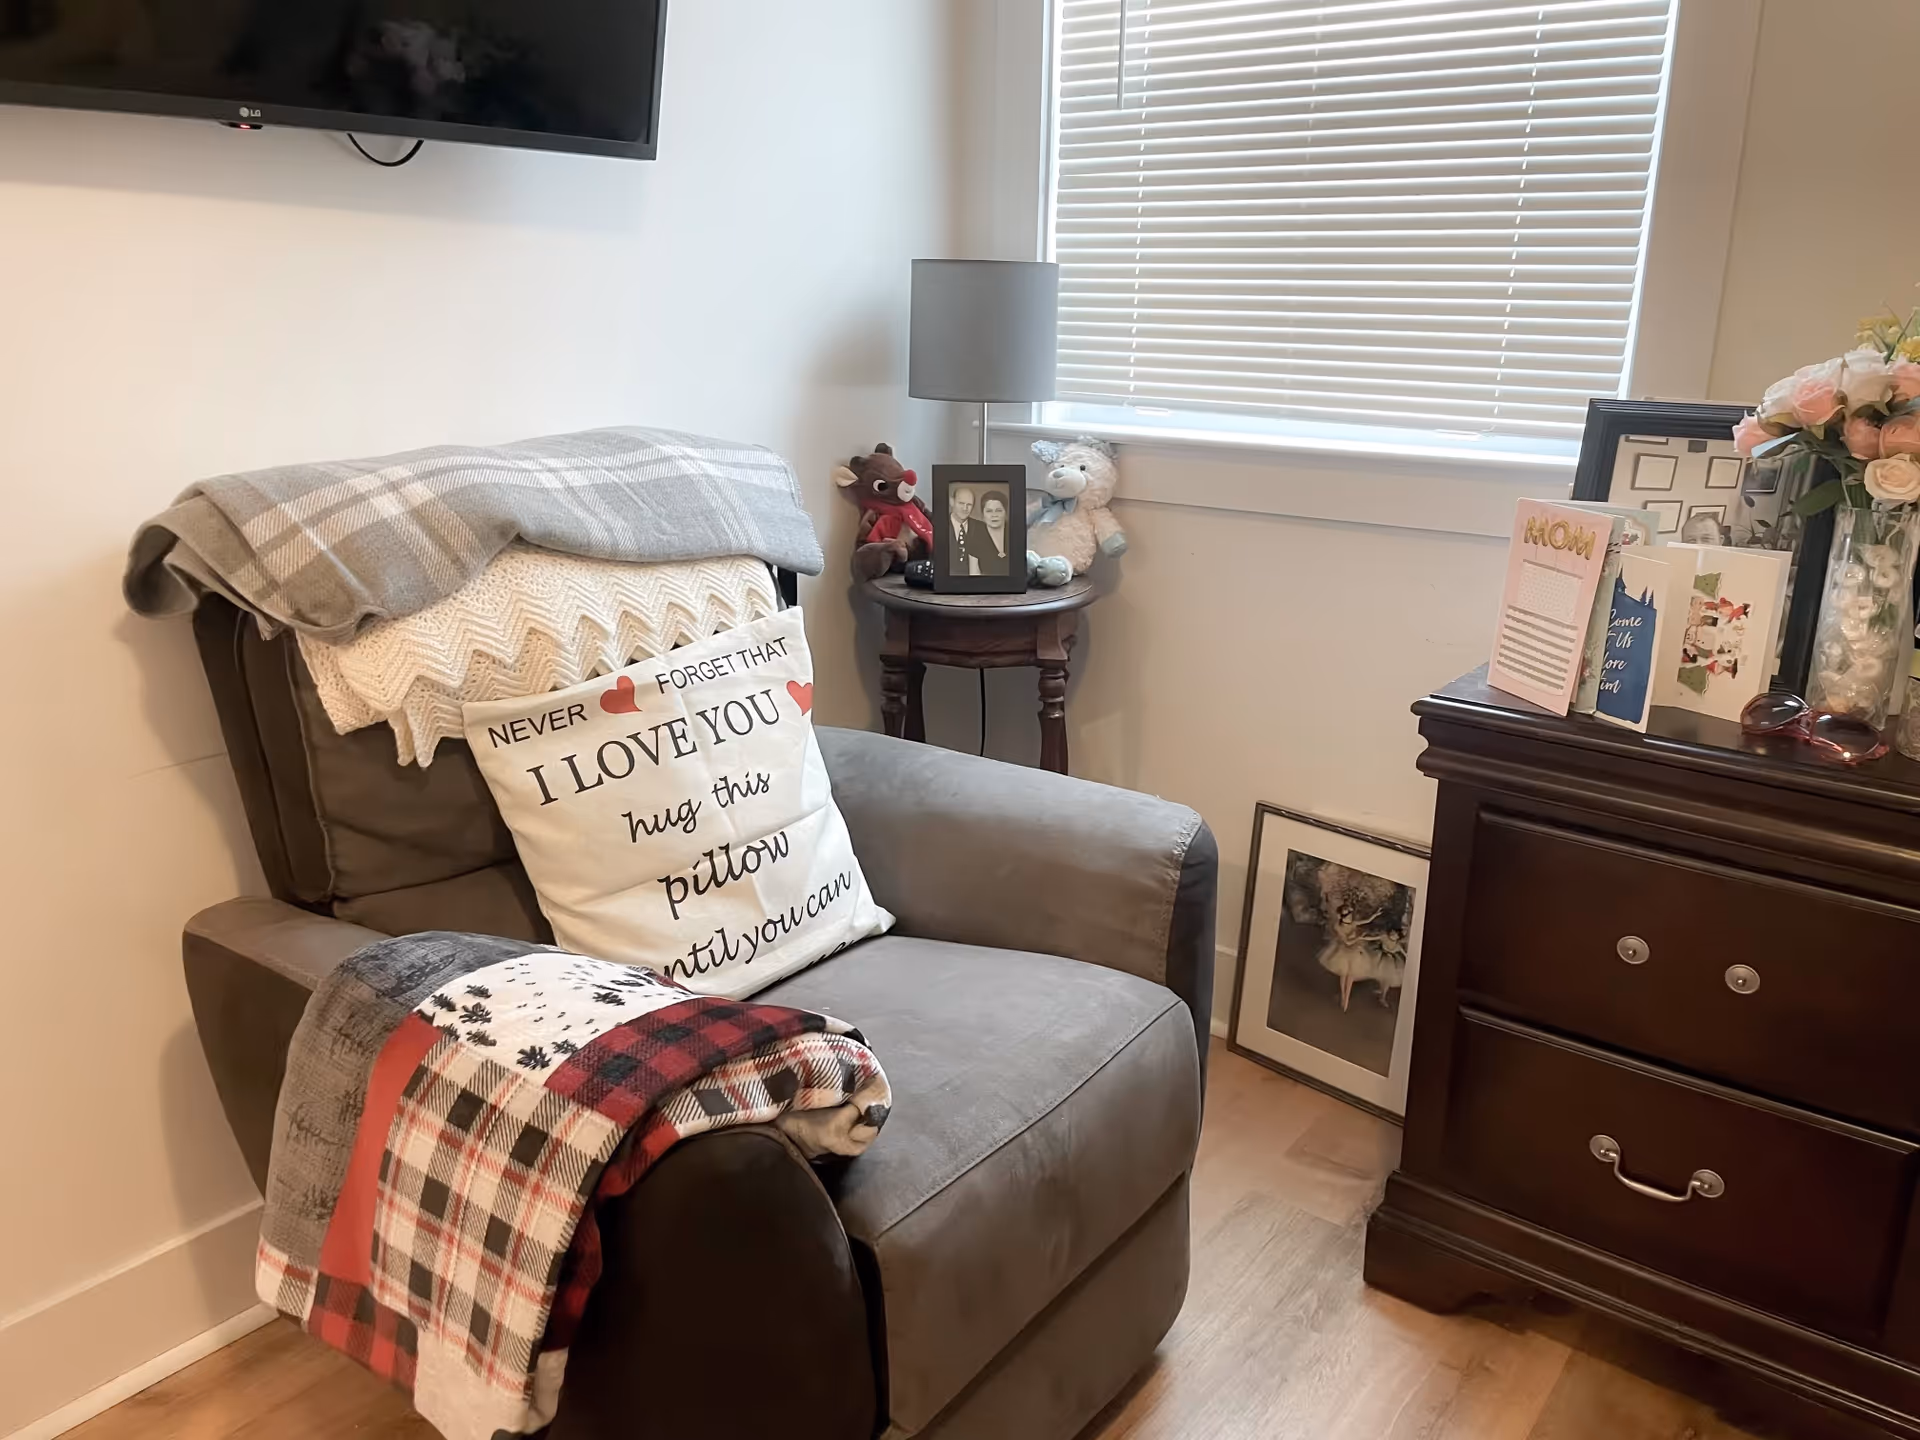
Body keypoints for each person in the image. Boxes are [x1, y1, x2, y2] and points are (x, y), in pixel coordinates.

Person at [970, 491, 1011, 576]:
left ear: (1005, 512)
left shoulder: (1015, 532)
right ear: (983, 514)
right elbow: (974, 574)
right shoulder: (975, 536)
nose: (994, 515)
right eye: (989, 511)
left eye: (998, 510)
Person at [946, 486, 976, 576]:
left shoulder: (981, 527)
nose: (965, 508)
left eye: (969, 504)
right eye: (961, 503)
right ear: (952, 502)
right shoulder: (937, 523)